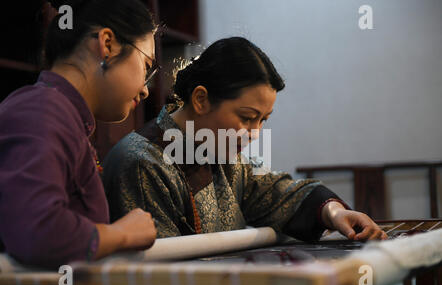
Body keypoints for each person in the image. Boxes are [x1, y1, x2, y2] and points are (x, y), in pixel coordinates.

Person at [103, 37, 388, 242]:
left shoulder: (224, 153)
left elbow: (276, 192)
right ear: (201, 99)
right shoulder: (143, 162)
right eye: (247, 116)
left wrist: (333, 212)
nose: (254, 133)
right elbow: (160, 279)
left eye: (263, 120)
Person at [0, 0, 158, 269]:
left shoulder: (58, 113)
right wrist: (123, 233)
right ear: (107, 45)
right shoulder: (41, 112)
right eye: (146, 65)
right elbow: (37, 232)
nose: (146, 89)